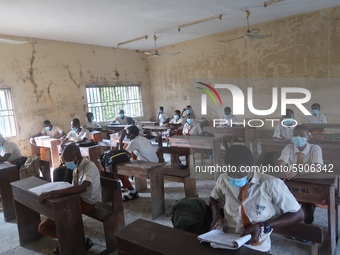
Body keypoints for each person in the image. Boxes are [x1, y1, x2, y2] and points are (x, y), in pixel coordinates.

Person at [209, 145, 304, 252]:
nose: (234, 177)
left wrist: (263, 225)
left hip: (257, 247)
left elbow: (298, 214)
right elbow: (214, 198)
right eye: (230, 172)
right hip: (227, 241)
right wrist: (216, 215)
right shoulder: (223, 178)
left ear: (251, 166)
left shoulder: (271, 183)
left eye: (239, 174)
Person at [38, 144, 101, 253]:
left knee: (57, 219)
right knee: (45, 226)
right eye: (65, 160)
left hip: (87, 203)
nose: (67, 163)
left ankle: (76, 241)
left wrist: (52, 193)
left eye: (69, 160)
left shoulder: (89, 167)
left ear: (77, 156)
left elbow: (82, 187)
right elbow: (73, 187)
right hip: (75, 199)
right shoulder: (77, 167)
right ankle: (74, 239)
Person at [278, 124, 323, 224]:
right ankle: (291, 227)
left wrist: (298, 171)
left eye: (302, 135)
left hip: (309, 185)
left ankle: (307, 224)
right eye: (295, 135)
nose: (298, 138)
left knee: (307, 214)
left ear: (309, 137)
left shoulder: (315, 148)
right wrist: (283, 169)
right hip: (291, 183)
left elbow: (317, 167)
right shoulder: (289, 148)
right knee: (288, 208)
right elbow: (282, 161)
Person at [118, 125, 158, 201]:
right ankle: (126, 185)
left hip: (149, 166)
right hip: (155, 162)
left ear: (132, 135)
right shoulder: (143, 138)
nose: (127, 136)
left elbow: (121, 155)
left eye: (128, 135)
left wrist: (120, 140)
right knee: (130, 158)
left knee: (121, 170)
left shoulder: (134, 142)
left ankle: (132, 191)